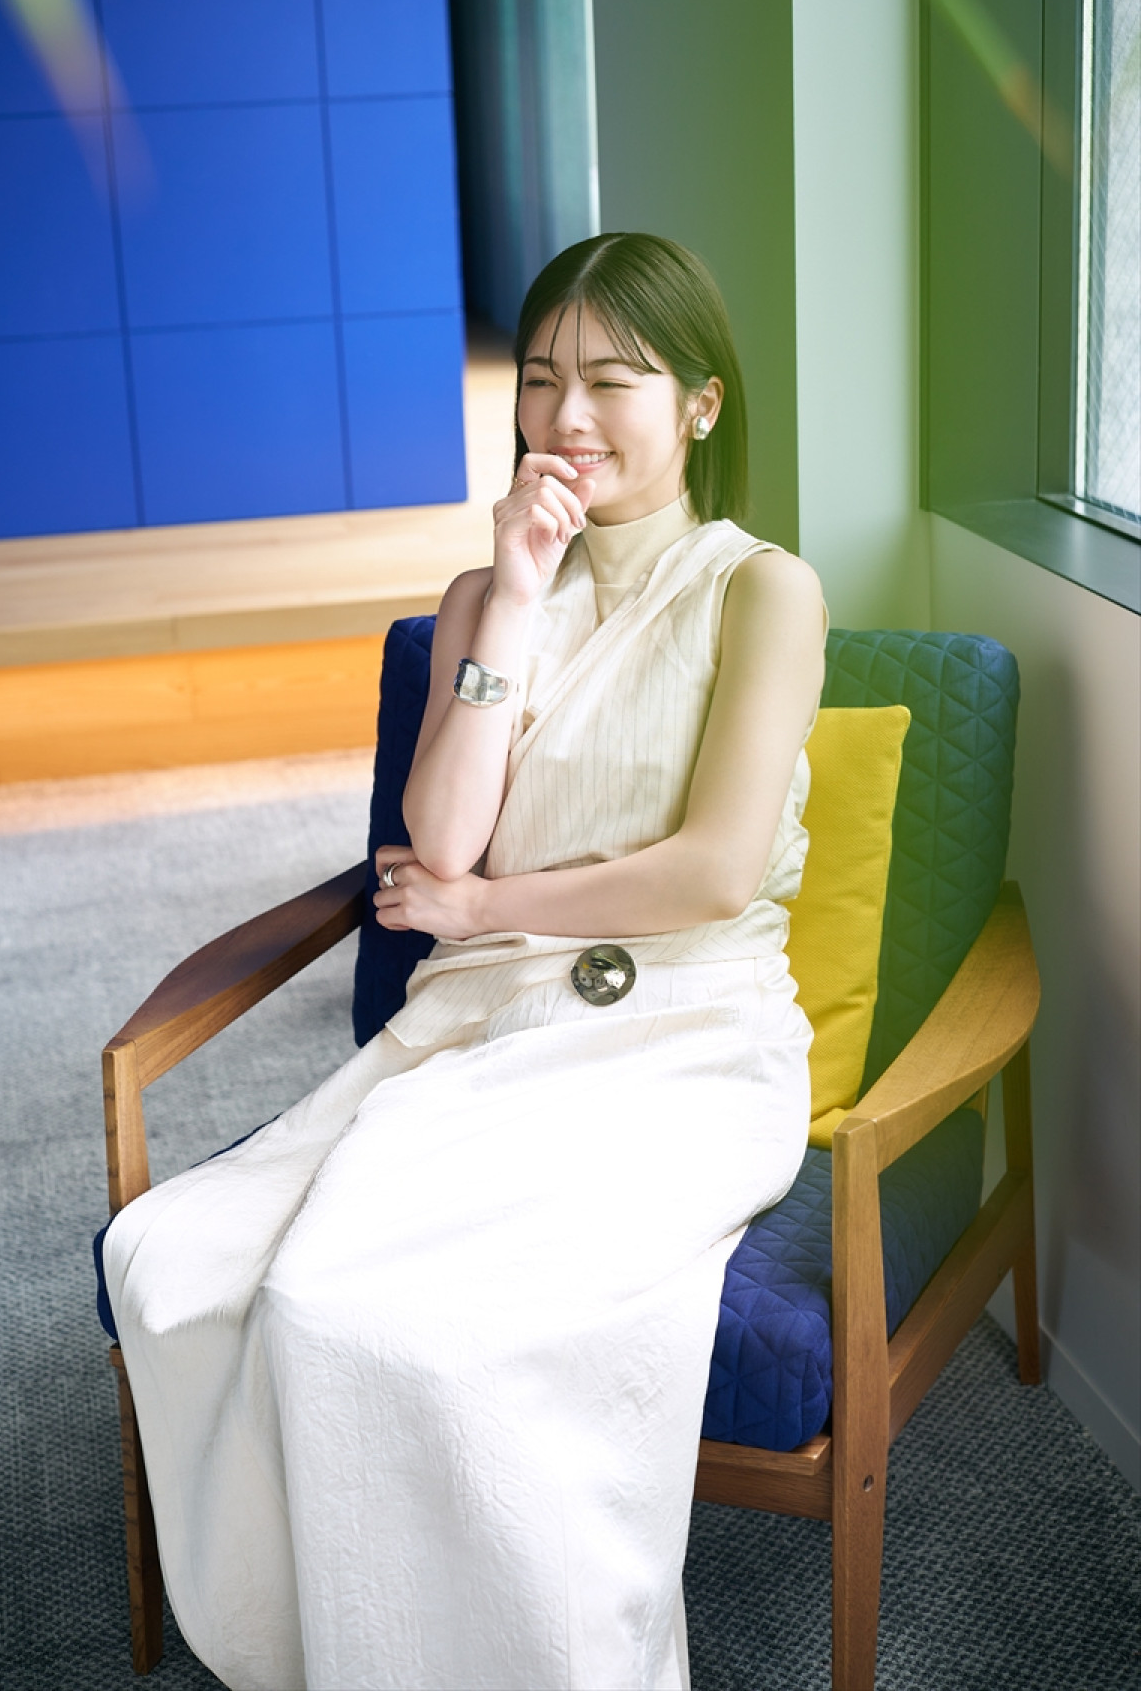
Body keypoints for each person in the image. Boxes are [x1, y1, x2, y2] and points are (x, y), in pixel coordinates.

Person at [103, 232, 826, 1691]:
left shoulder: (763, 592)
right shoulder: (485, 594)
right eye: (541, 377)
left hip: (683, 1037)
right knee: (184, 1267)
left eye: (613, 380)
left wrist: (486, 906)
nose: (567, 415)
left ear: (700, 404)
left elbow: (711, 872)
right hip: (484, 1029)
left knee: (364, 1315)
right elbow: (438, 829)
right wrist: (512, 591)